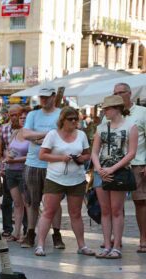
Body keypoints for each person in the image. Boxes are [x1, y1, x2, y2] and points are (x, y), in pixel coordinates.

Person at [34, 107, 94, 257]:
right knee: (49, 211)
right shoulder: (52, 135)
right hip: (55, 178)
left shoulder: (81, 135)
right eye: (70, 119)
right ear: (62, 120)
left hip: (77, 179)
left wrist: (82, 158)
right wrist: (60, 158)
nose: (74, 121)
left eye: (76, 118)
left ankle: (82, 245)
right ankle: (40, 245)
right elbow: (42, 155)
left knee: (76, 213)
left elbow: (88, 154)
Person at [91, 95, 139, 259]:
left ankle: (117, 246)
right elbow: (95, 152)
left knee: (116, 210)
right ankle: (107, 244)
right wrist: (99, 169)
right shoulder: (101, 128)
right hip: (101, 172)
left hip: (118, 171)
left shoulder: (131, 126)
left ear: (116, 109)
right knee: (105, 210)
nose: (104, 111)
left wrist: (112, 168)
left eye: (107, 109)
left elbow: (131, 153)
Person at [21, 88, 64, 249]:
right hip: (33, 163)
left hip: (53, 164)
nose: (43, 100)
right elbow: (25, 134)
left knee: (54, 202)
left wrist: (39, 137)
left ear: (54, 97)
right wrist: (48, 135)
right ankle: (30, 233)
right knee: (32, 201)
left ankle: (57, 234)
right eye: (41, 97)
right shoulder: (33, 114)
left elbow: (62, 135)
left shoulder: (61, 114)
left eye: (46, 97)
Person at [110, 83, 146, 253]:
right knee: (116, 205)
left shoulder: (142, 112)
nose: (118, 95)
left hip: (138, 162)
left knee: (141, 202)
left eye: (121, 92)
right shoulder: (109, 113)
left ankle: (144, 239)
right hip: (114, 165)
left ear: (129, 93)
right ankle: (116, 239)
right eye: (115, 92)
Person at [2, 105, 29, 242]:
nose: (22, 119)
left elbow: (32, 156)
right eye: (20, 117)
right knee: (17, 203)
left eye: (25, 117)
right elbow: (7, 149)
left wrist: (14, 159)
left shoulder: (31, 134)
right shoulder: (14, 133)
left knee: (27, 203)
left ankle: (28, 233)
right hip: (11, 171)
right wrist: (8, 156)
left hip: (24, 171)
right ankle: (16, 233)